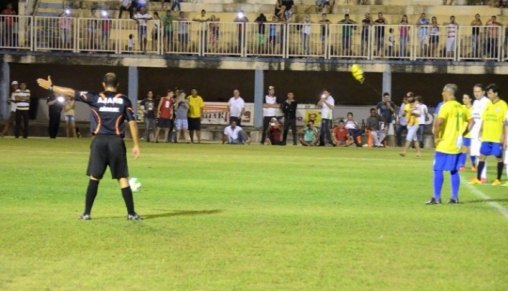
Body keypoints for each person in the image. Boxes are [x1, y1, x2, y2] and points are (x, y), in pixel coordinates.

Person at [36, 73, 142, 220]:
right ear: (117, 85)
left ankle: (86, 213)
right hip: (116, 142)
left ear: (103, 84)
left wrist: (51, 87)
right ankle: (131, 213)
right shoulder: (124, 100)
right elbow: (132, 123)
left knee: (94, 177)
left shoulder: (94, 97)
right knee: (122, 178)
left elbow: (70, 92)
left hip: (99, 141)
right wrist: (136, 145)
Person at [426, 83, 473, 205]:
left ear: (448, 93)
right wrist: (463, 133)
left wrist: (436, 137)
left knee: (437, 169)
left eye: (443, 91)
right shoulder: (462, 107)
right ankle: (454, 197)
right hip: (456, 145)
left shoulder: (445, 106)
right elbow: (472, 122)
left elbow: (438, 123)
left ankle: (436, 198)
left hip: (444, 144)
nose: (442, 94)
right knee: (454, 171)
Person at [470, 84, 507, 186]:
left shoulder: (503, 105)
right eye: (487, 93)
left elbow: (505, 122)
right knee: (482, 156)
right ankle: (478, 178)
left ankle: (498, 179)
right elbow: (484, 119)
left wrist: (503, 135)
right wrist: (481, 130)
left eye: (490, 93)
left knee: (498, 157)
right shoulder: (488, 104)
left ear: (496, 93)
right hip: (486, 136)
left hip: (496, 137)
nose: (488, 95)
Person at [469, 83, 490, 180]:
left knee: (481, 154)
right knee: (476, 154)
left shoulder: (487, 102)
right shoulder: (475, 102)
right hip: (474, 132)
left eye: (478, 91)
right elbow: (474, 117)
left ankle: (483, 176)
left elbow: (485, 119)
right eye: (474, 91)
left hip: (482, 132)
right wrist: (469, 128)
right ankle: (479, 176)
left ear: (483, 92)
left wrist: (482, 131)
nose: (476, 93)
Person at [400, 92, 422, 157]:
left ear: (413, 97)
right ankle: (418, 152)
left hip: (415, 124)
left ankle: (404, 151)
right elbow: (404, 113)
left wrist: (413, 112)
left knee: (409, 137)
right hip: (409, 124)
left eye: (410, 97)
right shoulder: (406, 105)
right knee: (415, 139)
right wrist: (408, 111)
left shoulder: (417, 105)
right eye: (408, 97)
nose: (409, 98)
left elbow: (419, 114)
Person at [458, 93, 473, 170]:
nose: (464, 100)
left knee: (471, 150)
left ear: (470, 99)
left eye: (466, 98)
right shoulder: (461, 108)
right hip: (463, 132)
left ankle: (473, 165)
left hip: (471, 132)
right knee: (463, 149)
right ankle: (462, 165)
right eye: (463, 98)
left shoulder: (474, 109)